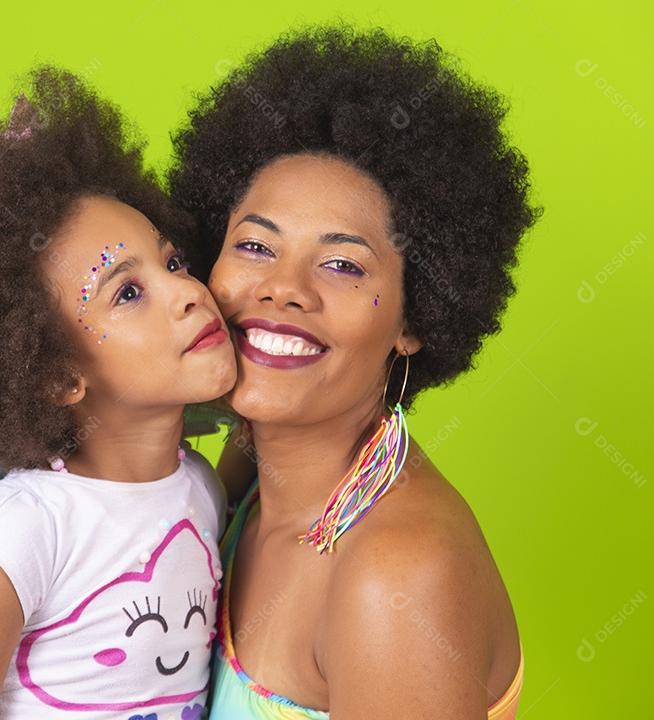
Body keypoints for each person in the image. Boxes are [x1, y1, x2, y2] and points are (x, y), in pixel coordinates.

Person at [0, 49, 237, 719]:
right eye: (128, 292)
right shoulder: (23, 533)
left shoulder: (202, 489)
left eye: (172, 262)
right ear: (57, 374)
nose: (187, 292)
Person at [169, 24, 540, 719]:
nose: (283, 289)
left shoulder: (397, 573)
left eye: (342, 264)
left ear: (413, 320)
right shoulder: (246, 467)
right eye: (254, 246)